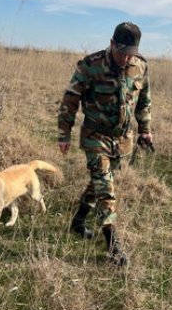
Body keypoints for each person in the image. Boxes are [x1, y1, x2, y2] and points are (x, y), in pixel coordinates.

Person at [57, 22, 152, 266]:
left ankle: (78, 221)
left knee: (99, 182)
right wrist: (64, 133)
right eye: (122, 52)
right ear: (111, 44)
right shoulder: (90, 65)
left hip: (122, 140)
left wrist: (145, 131)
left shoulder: (140, 66)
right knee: (105, 186)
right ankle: (112, 246)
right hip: (95, 137)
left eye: (130, 52)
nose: (125, 58)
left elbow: (143, 101)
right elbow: (70, 99)